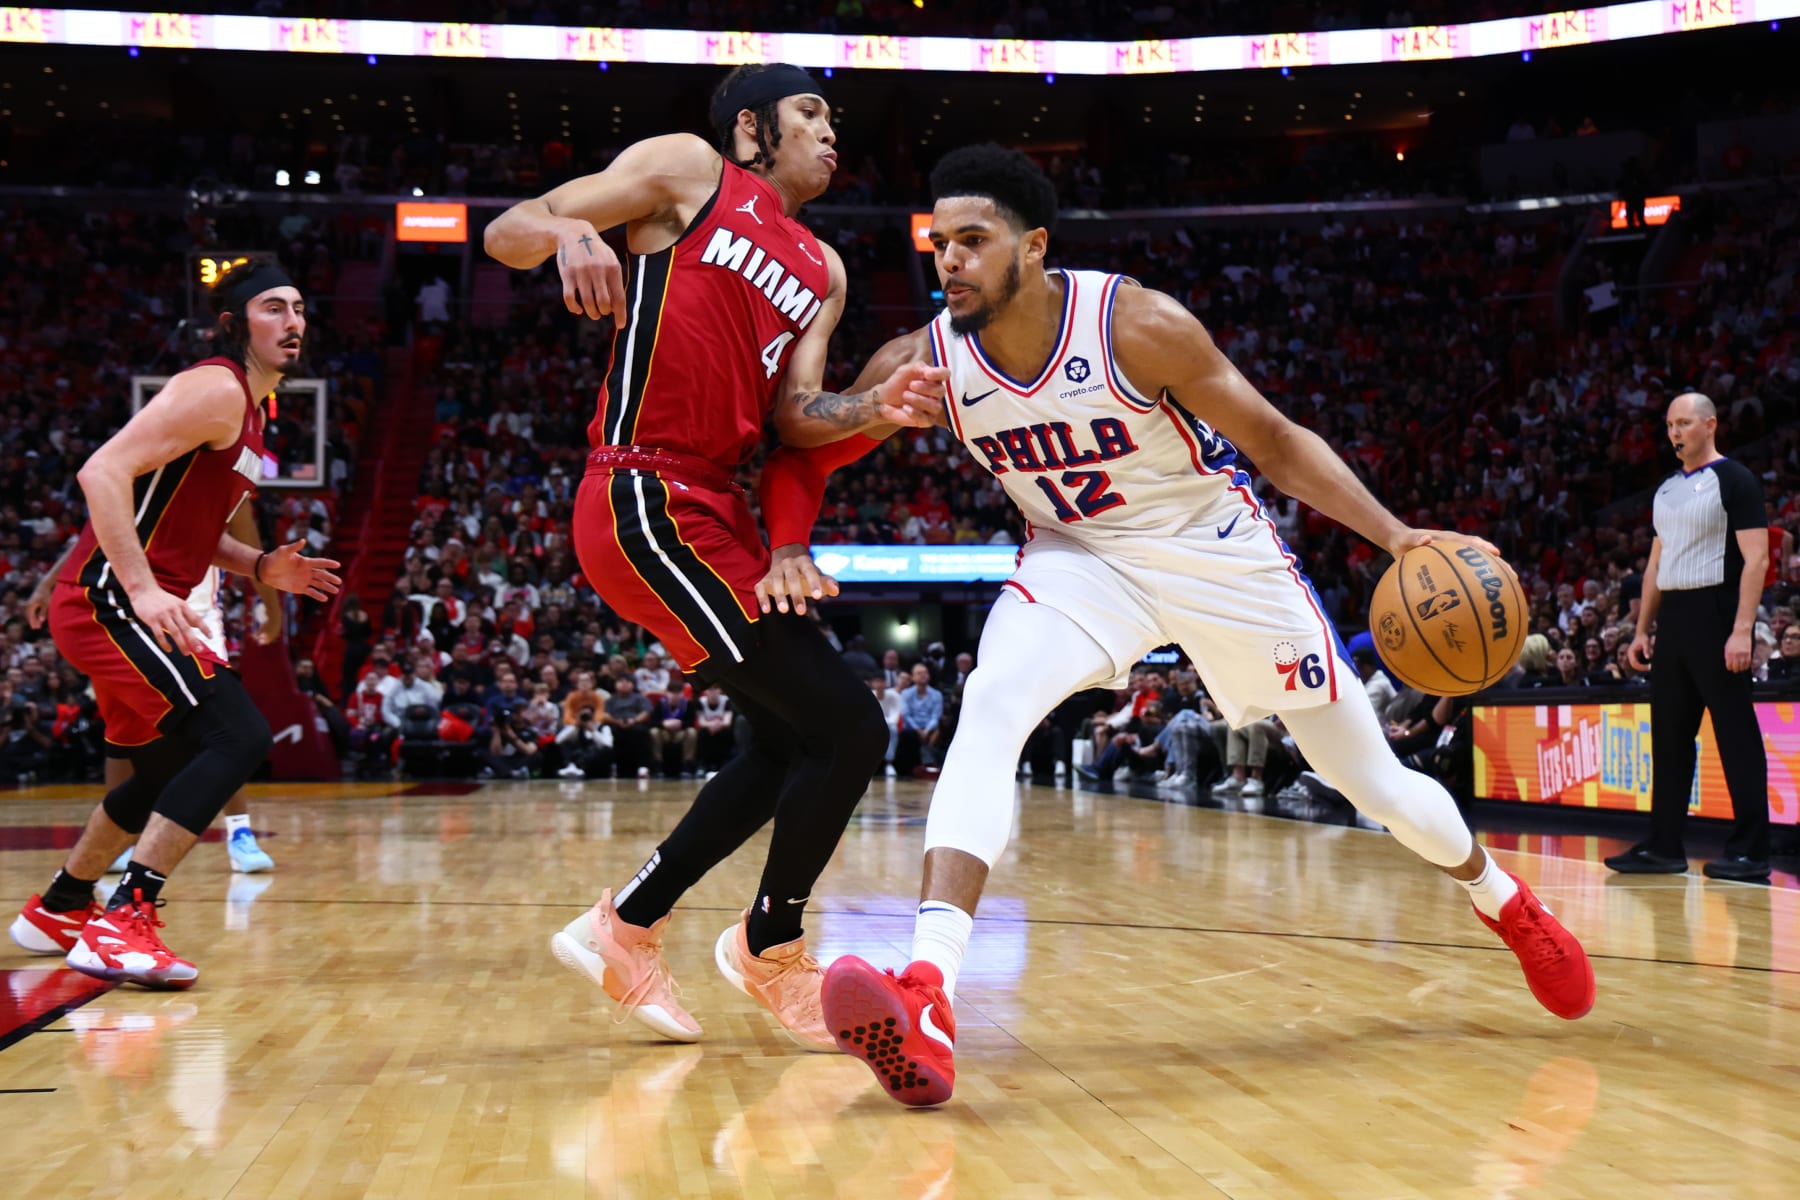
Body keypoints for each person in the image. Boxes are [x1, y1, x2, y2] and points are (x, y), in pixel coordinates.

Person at [763, 144, 1595, 1105]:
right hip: (1080, 558)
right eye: (938, 242)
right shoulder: (923, 361)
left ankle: (1504, 900)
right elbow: (798, 439)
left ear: (1033, 248)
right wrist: (867, 409)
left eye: (973, 241)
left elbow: (1277, 442)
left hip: (1214, 550)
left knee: (1371, 782)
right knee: (989, 702)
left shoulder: (1135, 324)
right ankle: (931, 993)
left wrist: (1397, 536)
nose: (948, 259)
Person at [483, 63, 937, 1047]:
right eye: (810, 112)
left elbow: (796, 419)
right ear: (750, 128)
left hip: (715, 507)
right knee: (851, 728)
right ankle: (769, 948)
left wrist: (876, 404)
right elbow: (506, 229)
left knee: (784, 744)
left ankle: (627, 926)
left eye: (832, 117)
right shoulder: (688, 172)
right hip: (643, 488)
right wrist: (566, 229)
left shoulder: (823, 268)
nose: (829, 130)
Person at [8, 257, 339, 988]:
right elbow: (101, 472)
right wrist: (142, 589)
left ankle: (59, 908)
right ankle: (122, 920)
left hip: (129, 600)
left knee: (160, 769)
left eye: (299, 308)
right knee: (238, 736)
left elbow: (189, 528)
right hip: (112, 600)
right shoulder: (215, 386)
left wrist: (258, 567)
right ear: (234, 324)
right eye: (274, 309)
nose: (293, 322)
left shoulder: (253, 409)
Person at [1605, 392, 1772, 881]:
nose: (1675, 433)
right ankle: (1663, 846)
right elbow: (1656, 564)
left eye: (1684, 423)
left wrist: (1743, 629)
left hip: (1717, 611)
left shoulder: (1735, 480)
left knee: (1735, 734)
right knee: (1670, 737)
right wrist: (1641, 630)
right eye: (1670, 425)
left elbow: (1757, 559)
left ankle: (1751, 851)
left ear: (1710, 425)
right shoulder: (1664, 490)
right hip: (1674, 618)